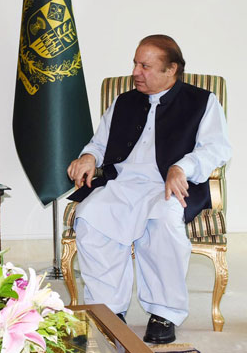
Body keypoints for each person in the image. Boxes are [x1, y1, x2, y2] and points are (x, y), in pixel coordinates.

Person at [66, 35, 231, 344]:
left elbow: (216, 149)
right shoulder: (124, 101)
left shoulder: (203, 101)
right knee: (90, 217)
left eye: (145, 66)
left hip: (167, 186)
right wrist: (88, 156)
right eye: (135, 64)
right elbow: (100, 143)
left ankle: (164, 312)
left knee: (164, 221)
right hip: (122, 184)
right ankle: (109, 310)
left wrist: (183, 167)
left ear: (172, 70)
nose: (136, 72)